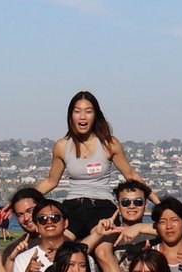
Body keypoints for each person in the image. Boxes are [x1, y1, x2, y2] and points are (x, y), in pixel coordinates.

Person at [39, 91, 138, 238]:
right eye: (77, 111)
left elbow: (131, 175)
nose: (83, 116)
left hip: (102, 205)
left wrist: (159, 204)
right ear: (71, 116)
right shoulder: (62, 146)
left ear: (95, 115)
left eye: (88, 111)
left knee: (102, 252)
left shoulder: (109, 143)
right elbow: (51, 181)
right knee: (62, 249)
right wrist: (21, 200)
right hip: (73, 206)